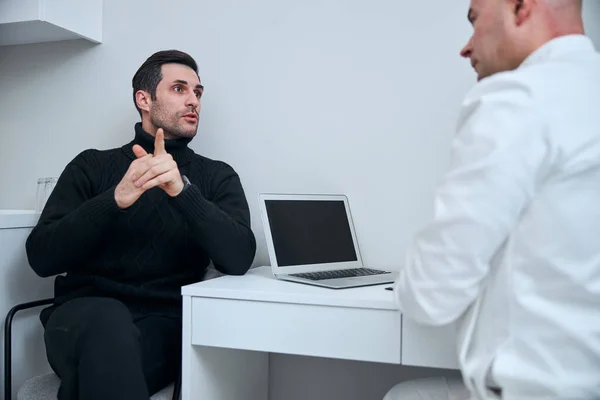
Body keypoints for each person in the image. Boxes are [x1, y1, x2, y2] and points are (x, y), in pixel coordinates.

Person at [384, 0, 600, 399]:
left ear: (520, 8)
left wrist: (410, 279)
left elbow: (430, 297)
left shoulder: (518, 99)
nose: (466, 47)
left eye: (474, 20)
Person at [25, 50, 257, 400]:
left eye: (197, 92)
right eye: (179, 89)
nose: (193, 100)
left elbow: (239, 258)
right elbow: (41, 257)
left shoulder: (215, 177)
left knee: (100, 373)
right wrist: (113, 200)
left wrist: (183, 192)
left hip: (162, 324)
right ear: (144, 99)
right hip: (82, 316)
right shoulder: (92, 166)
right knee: (107, 324)